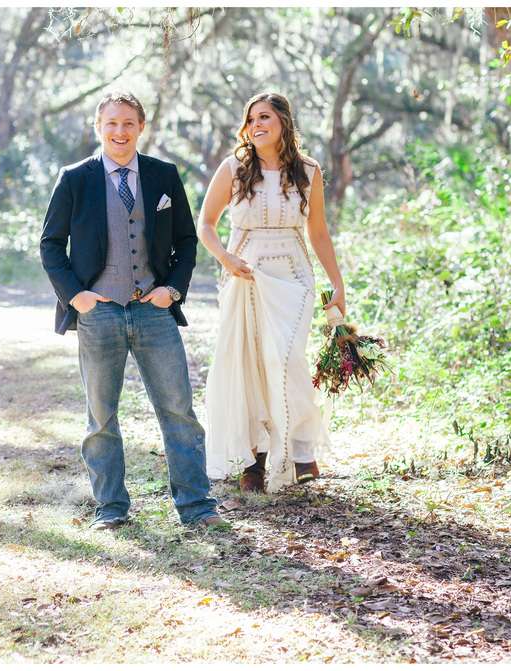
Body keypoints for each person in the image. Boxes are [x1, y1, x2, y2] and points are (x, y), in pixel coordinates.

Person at [40, 90, 225, 530]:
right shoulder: (75, 177)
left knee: (178, 410)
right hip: (98, 312)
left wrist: (172, 290)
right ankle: (111, 508)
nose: (120, 131)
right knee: (101, 416)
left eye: (128, 123)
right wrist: (77, 297)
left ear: (141, 127)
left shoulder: (163, 174)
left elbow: (185, 240)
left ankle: (197, 506)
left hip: (154, 311)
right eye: (111, 123)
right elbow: (50, 245)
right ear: (97, 127)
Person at [197, 92, 346, 494]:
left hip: (294, 276)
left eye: (264, 116)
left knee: (286, 358)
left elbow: (318, 232)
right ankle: (254, 461)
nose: (256, 125)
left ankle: (299, 449)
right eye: (250, 119)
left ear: (283, 120)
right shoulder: (234, 168)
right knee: (247, 365)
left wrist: (338, 283)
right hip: (246, 274)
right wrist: (225, 258)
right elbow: (206, 225)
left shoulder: (309, 171)